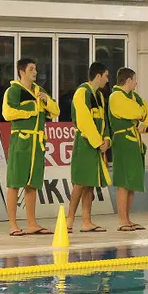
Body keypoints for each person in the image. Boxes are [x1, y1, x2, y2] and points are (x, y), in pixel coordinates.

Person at [3, 58, 60, 236]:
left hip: (38, 142)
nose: (35, 72)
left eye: (35, 69)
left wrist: (46, 101)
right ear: (21, 71)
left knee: (32, 184)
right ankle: (13, 224)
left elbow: (55, 111)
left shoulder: (39, 90)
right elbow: (7, 113)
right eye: (31, 69)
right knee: (14, 183)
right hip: (21, 140)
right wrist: (32, 110)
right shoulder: (14, 91)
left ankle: (32, 223)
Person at [66, 62, 111, 233]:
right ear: (98, 75)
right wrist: (97, 142)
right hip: (85, 143)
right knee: (80, 183)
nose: (107, 80)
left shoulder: (98, 96)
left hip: (96, 144)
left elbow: (103, 121)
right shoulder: (82, 93)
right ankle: (69, 221)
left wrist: (106, 139)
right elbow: (84, 121)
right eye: (106, 76)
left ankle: (86, 221)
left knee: (90, 183)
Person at [109, 68, 148, 231]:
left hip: (134, 140)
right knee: (124, 182)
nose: (137, 83)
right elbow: (137, 111)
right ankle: (122, 220)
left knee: (132, 182)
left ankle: (128, 218)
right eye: (135, 80)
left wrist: (146, 122)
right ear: (128, 80)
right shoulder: (116, 96)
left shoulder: (133, 96)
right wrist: (142, 115)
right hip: (123, 141)